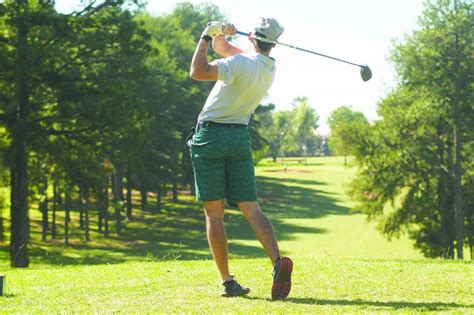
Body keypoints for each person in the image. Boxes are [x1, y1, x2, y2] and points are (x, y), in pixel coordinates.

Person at [188, 18, 293, 300]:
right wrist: (220, 35)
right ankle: (277, 262)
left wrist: (205, 36)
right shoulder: (267, 68)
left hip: (210, 136)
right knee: (251, 207)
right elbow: (225, 50)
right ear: (273, 43)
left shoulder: (240, 64)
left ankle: (227, 281)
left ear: (252, 38)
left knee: (214, 211)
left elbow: (197, 71)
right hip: (238, 138)